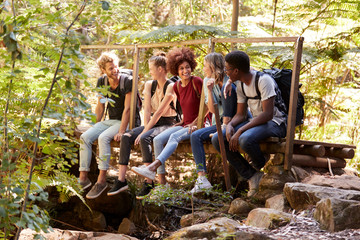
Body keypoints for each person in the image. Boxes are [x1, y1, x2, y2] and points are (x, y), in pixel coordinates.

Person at [213, 50, 287, 197]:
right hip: (256, 121)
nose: (226, 73)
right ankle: (252, 175)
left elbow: (268, 114)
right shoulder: (240, 84)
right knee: (217, 138)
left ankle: (260, 164)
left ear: (236, 70)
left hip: (275, 122)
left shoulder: (263, 81)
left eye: (227, 69)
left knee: (245, 139)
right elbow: (240, 114)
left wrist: (240, 131)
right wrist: (230, 125)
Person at [107, 52, 178, 198]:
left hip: (168, 123)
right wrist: (144, 128)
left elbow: (159, 113)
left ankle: (148, 182)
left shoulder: (171, 86)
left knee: (145, 137)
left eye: (151, 68)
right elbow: (147, 111)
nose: (149, 71)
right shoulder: (149, 84)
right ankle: (121, 180)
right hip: (152, 122)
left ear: (160, 69)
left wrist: (144, 132)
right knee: (127, 136)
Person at [131, 47, 203, 190]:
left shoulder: (197, 82)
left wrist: (195, 123)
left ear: (192, 67)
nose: (185, 71)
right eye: (181, 68)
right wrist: (182, 122)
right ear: (176, 70)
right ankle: (162, 183)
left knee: (173, 138)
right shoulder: (176, 86)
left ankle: (153, 166)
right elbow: (183, 110)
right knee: (157, 140)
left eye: (187, 67)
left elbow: (205, 107)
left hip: (198, 125)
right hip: (184, 124)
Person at [78, 51, 140, 199]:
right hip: (110, 120)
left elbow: (128, 109)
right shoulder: (102, 82)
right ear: (103, 70)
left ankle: (101, 180)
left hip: (128, 122)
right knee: (85, 137)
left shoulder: (127, 81)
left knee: (103, 138)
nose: (115, 70)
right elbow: (100, 107)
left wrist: (122, 130)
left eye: (116, 66)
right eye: (111, 68)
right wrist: (95, 126)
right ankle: (83, 178)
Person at [189, 52, 237, 193]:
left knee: (218, 137)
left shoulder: (230, 81)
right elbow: (211, 109)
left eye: (205, 66)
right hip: (219, 122)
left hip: (234, 121)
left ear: (212, 66)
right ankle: (202, 179)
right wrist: (209, 91)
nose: (203, 69)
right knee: (195, 136)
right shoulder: (206, 81)